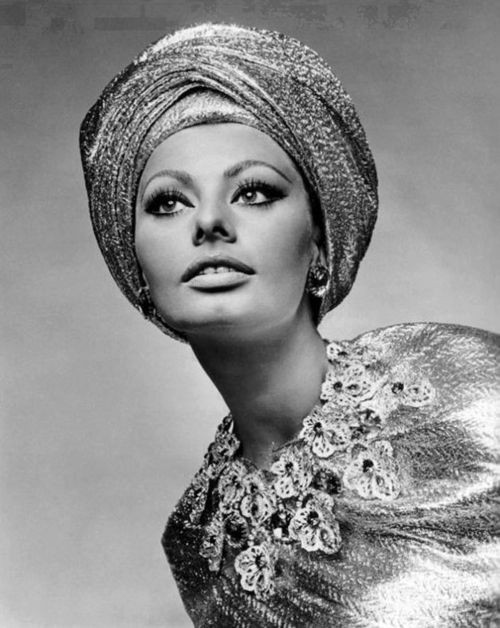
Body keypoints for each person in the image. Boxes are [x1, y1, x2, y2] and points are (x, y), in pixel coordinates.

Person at [79, 23, 499, 628]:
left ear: (321, 241)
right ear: (136, 266)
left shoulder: (465, 384)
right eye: (168, 202)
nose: (209, 223)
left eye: (253, 192)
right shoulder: (198, 543)